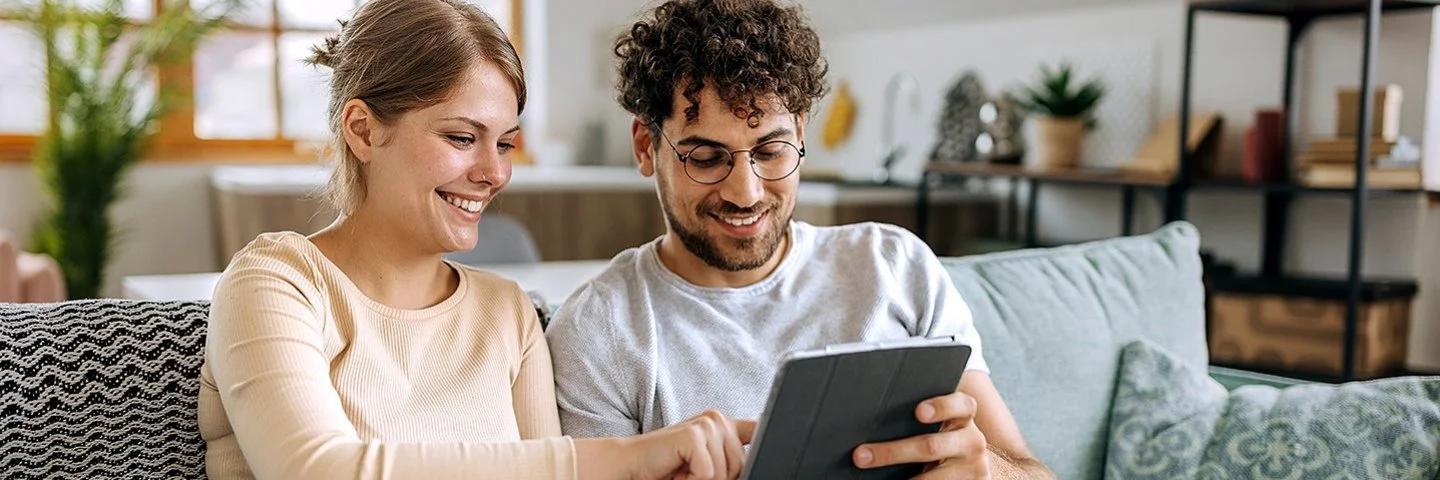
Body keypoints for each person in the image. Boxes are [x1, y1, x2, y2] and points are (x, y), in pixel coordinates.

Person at [197, 0, 752, 478]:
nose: (494, 173)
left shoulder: (507, 314)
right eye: (463, 137)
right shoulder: (276, 283)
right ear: (363, 130)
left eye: (505, 144)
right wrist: (629, 458)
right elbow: (318, 469)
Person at [544, 0, 1054, 478]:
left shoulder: (895, 267)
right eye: (705, 157)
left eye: (770, 151)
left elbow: (1031, 471)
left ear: (802, 134)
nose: (745, 193)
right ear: (644, 146)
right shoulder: (598, 332)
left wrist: (991, 469)